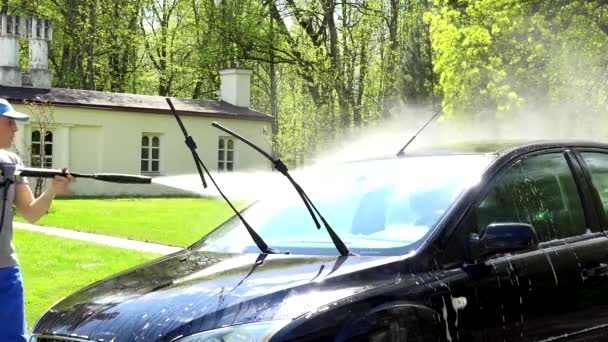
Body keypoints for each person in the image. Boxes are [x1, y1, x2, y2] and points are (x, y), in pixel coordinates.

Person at [0, 98, 73, 341]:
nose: (15, 129)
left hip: (5, 270)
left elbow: (30, 212)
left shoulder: (12, 163)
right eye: (10, 122)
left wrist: (52, 190)